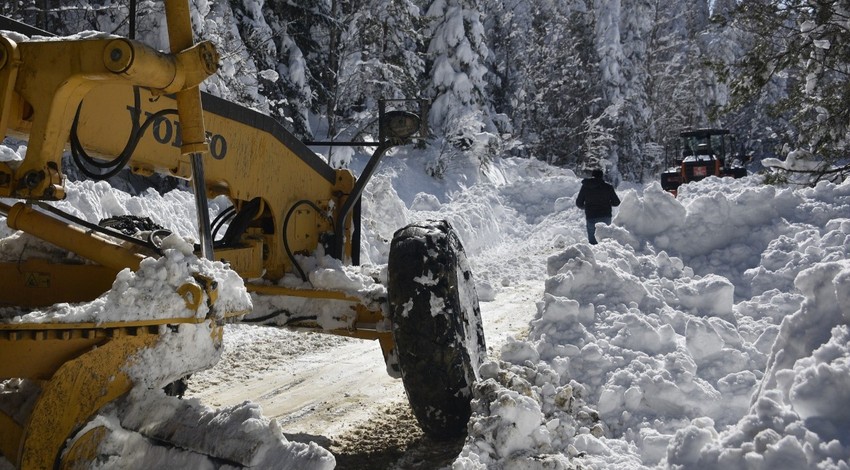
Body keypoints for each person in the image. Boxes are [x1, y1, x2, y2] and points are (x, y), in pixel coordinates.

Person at [576, 169, 620, 244]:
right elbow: (616, 202)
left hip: (591, 217)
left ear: (592, 175)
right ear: (602, 176)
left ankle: (594, 254)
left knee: (593, 242)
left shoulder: (585, 187)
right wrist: (608, 203)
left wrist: (586, 206)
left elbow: (579, 203)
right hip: (605, 216)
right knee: (605, 241)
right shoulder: (608, 187)